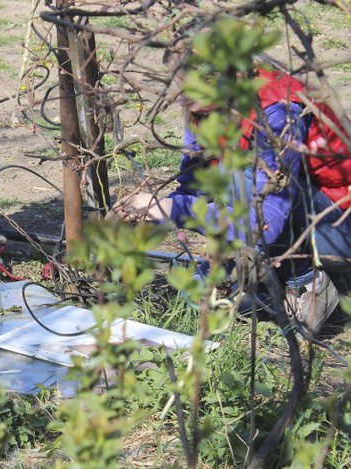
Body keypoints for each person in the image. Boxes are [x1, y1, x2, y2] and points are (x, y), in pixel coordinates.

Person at [112, 66, 350, 336]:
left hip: (337, 223)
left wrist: (174, 209)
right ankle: (268, 276)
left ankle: (305, 279)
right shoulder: (202, 109)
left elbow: (265, 220)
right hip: (285, 222)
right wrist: (152, 213)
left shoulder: (277, 112)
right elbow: (194, 187)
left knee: (239, 170)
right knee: (197, 293)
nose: (182, 98)